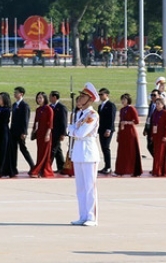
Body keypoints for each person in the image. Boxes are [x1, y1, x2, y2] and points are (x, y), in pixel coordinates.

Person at [68, 82, 100, 227]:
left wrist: (71, 130)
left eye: (83, 96)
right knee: (80, 187)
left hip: (89, 153)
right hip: (79, 152)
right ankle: (82, 215)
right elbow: (71, 130)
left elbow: (80, 133)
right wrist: (72, 129)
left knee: (90, 187)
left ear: (90, 99)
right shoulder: (80, 115)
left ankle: (92, 217)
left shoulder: (92, 115)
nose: (79, 99)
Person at [114, 93, 142, 177]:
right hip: (123, 132)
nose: (123, 101)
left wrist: (127, 122)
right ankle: (120, 170)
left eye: (124, 100)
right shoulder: (122, 110)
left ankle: (132, 170)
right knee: (122, 152)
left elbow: (136, 121)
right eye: (122, 100)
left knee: (131, 151)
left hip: (130, 132)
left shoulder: (132, 109)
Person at [8, 86, 34, 175]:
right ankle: (13, 168)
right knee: (13, 150)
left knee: (23, 149)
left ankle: (32, 165)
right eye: (14, 92)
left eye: (16, 92)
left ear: (21, 94)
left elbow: (25, 120)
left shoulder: (25, 106)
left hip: (20, 132)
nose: (14, 94)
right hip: (13, 131)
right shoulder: (15, 105)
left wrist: (24, 132)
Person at [29, 92, 54, 178]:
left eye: (40, 98)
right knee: (40, 152)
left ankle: (39, 169)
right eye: (38, 98)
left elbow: (50, 123)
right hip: (39, 133)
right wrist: (33, 131)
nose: (39, 100)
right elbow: (36, 122)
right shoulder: (38, 109)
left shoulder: (48, 109)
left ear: (44, 99)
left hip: (46, 133)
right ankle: (40, 169)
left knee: (45, 152)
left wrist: (47, 134)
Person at [0, 92, 14, 178]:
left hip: (3, 132)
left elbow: (3, 121)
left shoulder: (6, 110)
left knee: (2, 152)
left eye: (0, 98)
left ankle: (1, 170)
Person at [96, 88, 116, 175]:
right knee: (103, 148)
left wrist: (109, 129)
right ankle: (105, 166)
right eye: (99, 94)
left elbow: (112, 118)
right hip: (101, 129)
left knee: (106, 147)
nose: (100, 96)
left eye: (102, 94)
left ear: (107, 95)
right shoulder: (100, 106)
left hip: (107, 129)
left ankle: (108, 166)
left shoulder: (111, 105)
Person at [151, 96, 166, 177]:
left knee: (161, 154)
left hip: (162, 136)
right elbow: (153, 124)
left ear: (163, 105)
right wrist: (152, 135)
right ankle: (155, 170)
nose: (157, 105)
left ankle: (160, 170)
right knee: (156, 153)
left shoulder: (165, 114)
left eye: (159, 104)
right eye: (156, 104)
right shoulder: (155, 112)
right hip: (156, 135)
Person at [50, 90, 69, 174]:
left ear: (54, 97)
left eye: (50, 96)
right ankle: (61, 167)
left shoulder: (61, 107)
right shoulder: (50, 106)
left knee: (53, 149)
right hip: (52, 132)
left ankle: (48, 165)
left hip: (58, 133)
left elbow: (64, 122)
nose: (49, 98)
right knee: (58, 150)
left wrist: (63, 134)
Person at [143, 89, 161, 157]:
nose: (153, 97)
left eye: (154, 95)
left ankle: (160, 161)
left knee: (154, 146)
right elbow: (148, 117)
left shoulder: (161, 106)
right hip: (150, 128)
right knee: (149, 146)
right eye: (151, 95)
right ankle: (158, 160)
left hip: (157, 129)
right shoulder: (151, 105)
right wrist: (146, 128)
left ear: (159, 96)